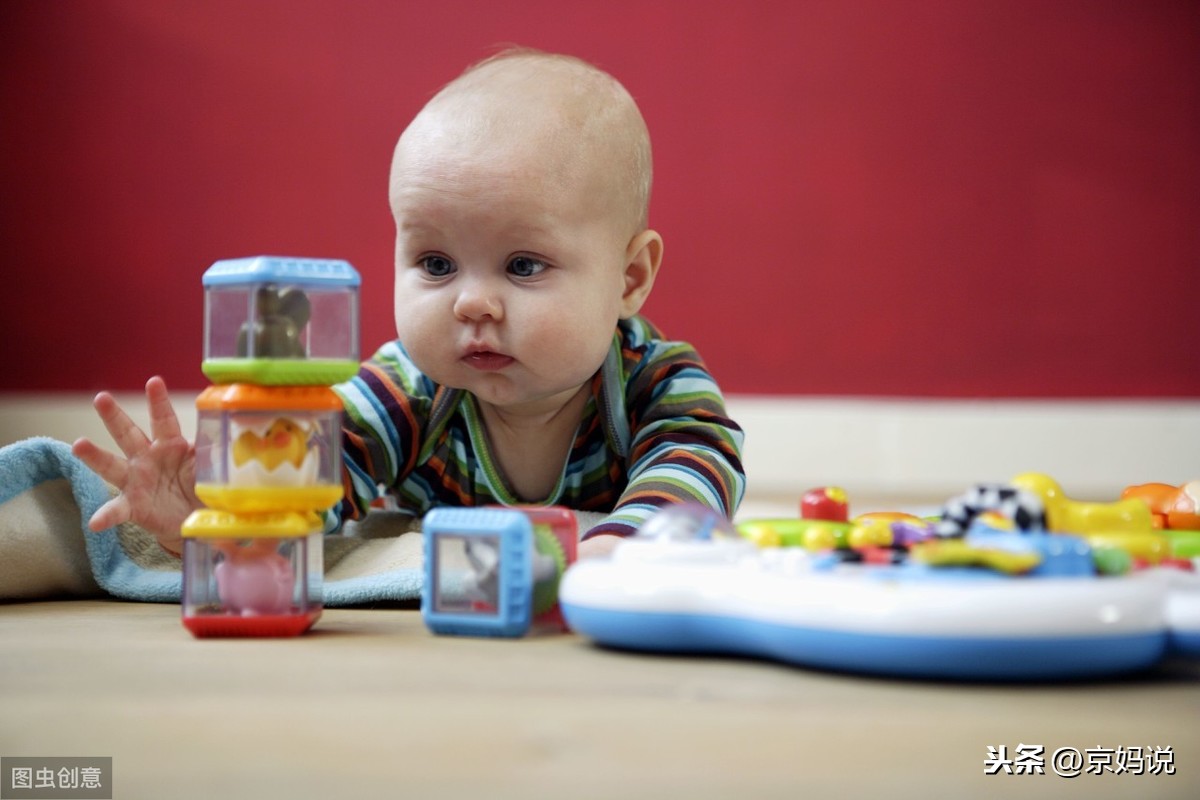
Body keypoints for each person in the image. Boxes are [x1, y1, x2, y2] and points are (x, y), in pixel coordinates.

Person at [71, 49, 745, 559]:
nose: (471, 303)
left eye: (523, 265)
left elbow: (698, 463)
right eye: (437, 264)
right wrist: (231, 507)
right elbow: (325, 468)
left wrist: (619, 549)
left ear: (628, 278)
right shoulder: (413, 385)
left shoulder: (655, 380)